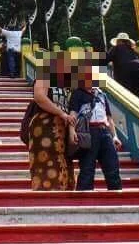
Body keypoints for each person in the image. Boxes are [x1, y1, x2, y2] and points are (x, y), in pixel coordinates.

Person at [68, 58, 123, 191]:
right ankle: (83, 201)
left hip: (104, 132)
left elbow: (109, 117)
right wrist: (71, 131)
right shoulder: (77, 94)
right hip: (88, 132)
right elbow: (73, 114)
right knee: (87, 168)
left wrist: (114, 136)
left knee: (112, 166)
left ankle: (116, 197)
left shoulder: (101, 94)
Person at [28, 52, 76, 190]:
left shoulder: (65, 85)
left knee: (63, 162)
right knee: (46, 163)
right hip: (44, 126)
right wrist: (61, 113)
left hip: (62, 128)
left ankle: (65, 192)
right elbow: (39, 97)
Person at [107, 32, 139, 99]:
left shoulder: (116, 48)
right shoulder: (135, 51)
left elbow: (104, 59)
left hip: (125, 72)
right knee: (137, 93)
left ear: (119, 41)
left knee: (126, 93)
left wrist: (86, 57)